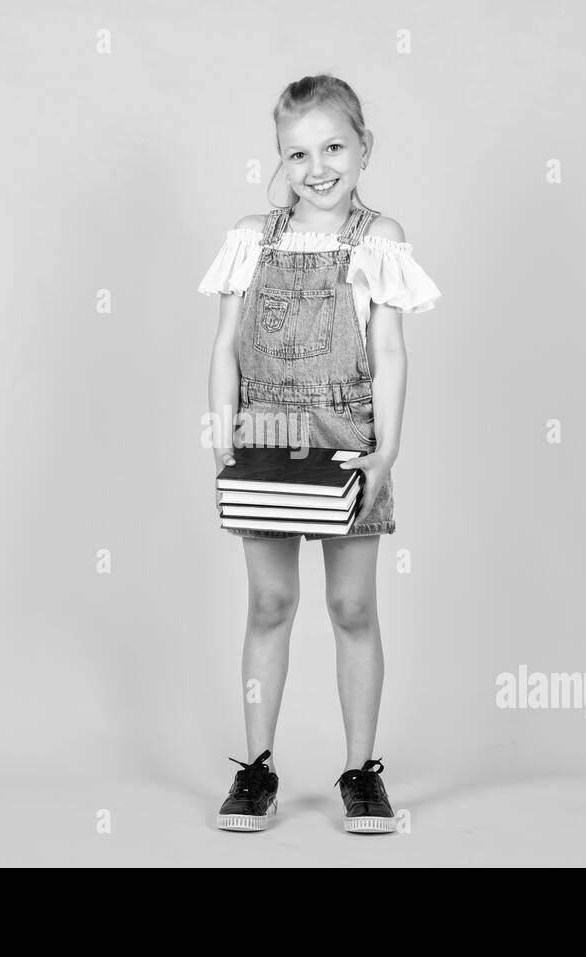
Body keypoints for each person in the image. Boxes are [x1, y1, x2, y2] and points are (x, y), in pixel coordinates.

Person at [198, 75, 441, 833]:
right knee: (269, 603)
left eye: (334, 146)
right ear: (279, 158)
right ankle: (258, 768)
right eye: (297, 153)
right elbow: (226, 347)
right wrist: (222, 438)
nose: (318, 167)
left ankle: (361, 771)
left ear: (364, 146)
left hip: (348, 444)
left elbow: (391, 355)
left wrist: (386, 453)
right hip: (265, 437)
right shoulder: (250, 236)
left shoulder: (381, 239)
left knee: (352, 605)